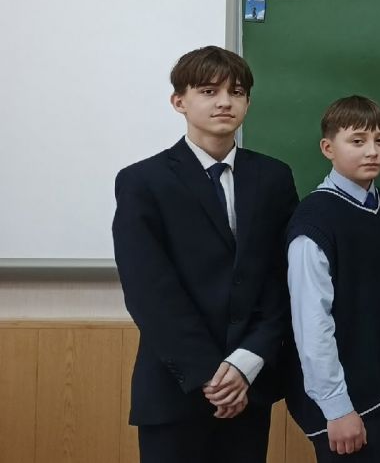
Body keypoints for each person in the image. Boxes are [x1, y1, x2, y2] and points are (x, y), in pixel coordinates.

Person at [112, 46, 299, 463]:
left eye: (237, 92)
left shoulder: (274, 177)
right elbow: (149, 290)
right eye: (209, 91)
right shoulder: (143, 181)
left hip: (250, 386)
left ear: (248, 102)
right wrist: (209, 375)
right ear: (179, 101)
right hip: (174, 387)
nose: (225, 102)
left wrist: (247, 362)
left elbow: (282, 278)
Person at [285, 96, 380, 462]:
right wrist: (336, 407)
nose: (372, 151)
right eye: (357, 141)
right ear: (328, 148)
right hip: (344, 406)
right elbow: (312, 322)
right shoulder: (314, 220)